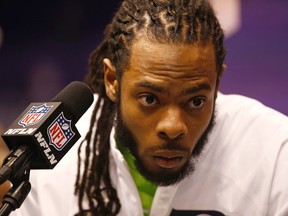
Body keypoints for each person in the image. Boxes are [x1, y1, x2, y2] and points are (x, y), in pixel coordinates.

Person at [2, 0, 288, 215]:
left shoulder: (275, 153)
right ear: (113, 80)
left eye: (196, 101)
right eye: (150, 99)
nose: (173, 126)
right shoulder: (54, 161)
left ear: (217, 83)